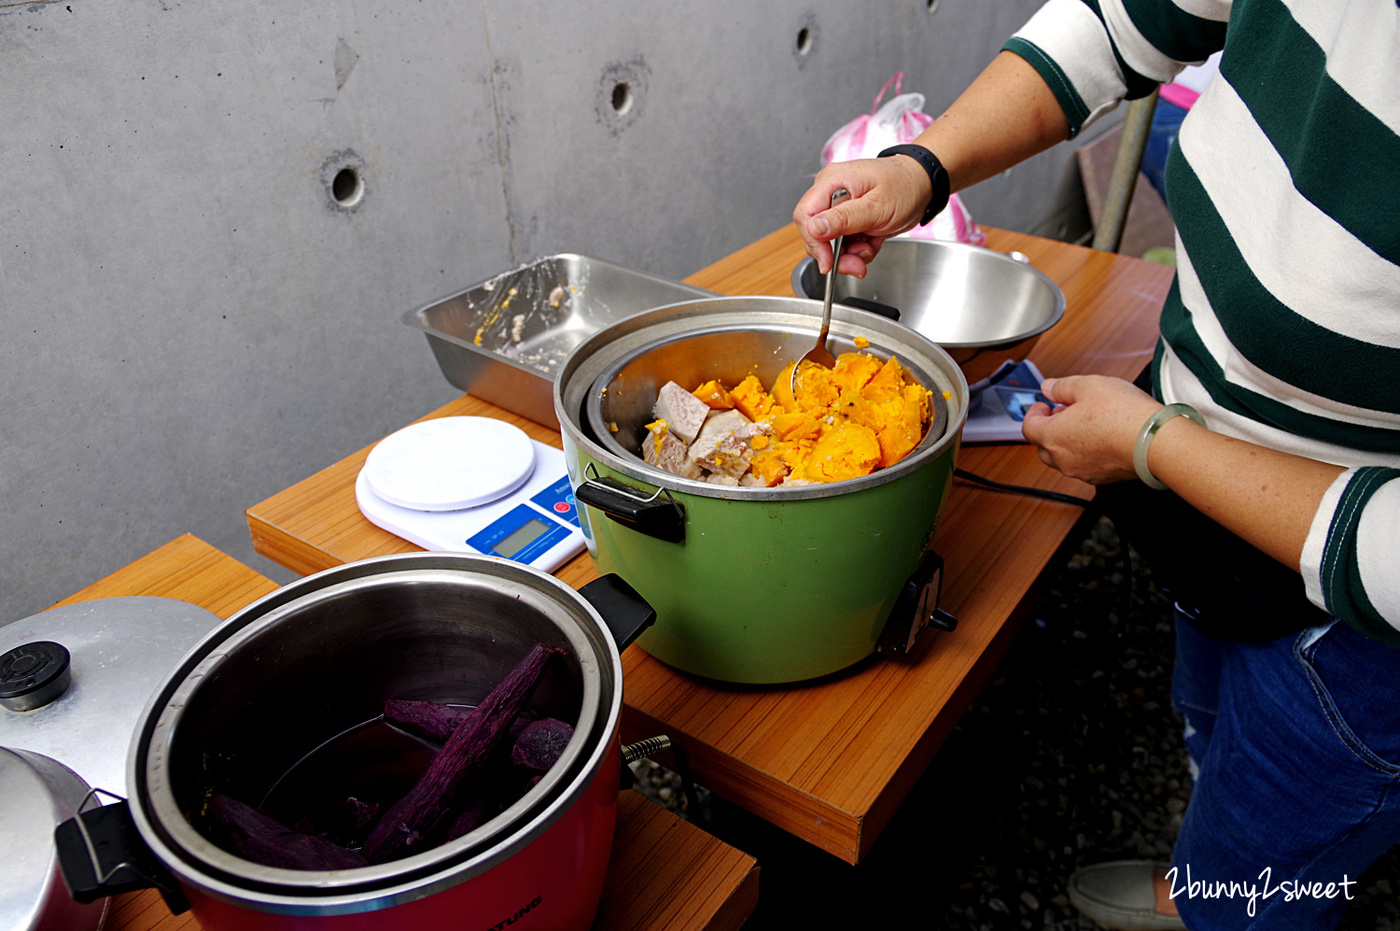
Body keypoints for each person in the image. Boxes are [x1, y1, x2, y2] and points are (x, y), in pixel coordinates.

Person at [792, 2, 1400, 929]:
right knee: (1210, 712)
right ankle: (1206, 853)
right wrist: (918, 169)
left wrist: (1154, 446)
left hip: (1365, 621)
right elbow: (1123, 24)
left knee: (1284, 832)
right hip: (1202, 483)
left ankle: (1221, 900)